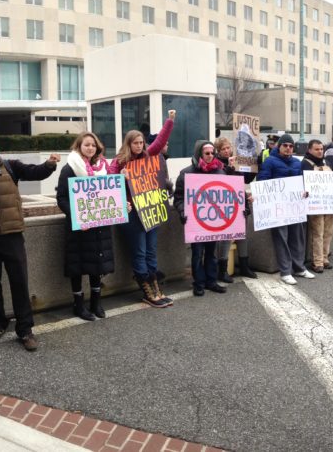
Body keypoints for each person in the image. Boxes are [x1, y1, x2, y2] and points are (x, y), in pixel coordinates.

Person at [0, 138, 59, 351]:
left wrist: (50, 165)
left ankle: (25, 329)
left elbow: (34, 172)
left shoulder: (11, 166)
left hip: (12, 233)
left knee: (19, 281)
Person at [108, 110, 176, 306]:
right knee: (139, 251)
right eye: (135, 143)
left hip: (150, 211)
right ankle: (146, 290)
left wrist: (169, 121)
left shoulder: (148, 156)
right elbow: (108, 184)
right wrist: (121, 176)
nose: (139, 146)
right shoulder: (119, 161)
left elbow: (160, 141)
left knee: (151, 251)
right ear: (128, 144)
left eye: (141, 143)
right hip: (132, 214)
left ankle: (155, 286)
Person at [56, 132, 117, 319]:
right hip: (79, 227)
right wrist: (78, 217)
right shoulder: (69, 169)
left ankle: (96, 303)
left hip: (98, 226)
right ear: (79, 147)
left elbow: (110, 195)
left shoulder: (103, 169)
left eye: (93, 145)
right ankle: (79, 305)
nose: (90, 148)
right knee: (78, 265)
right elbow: (62, 198)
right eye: (86, 145)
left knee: (96, 264)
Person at [174, 140, 229, 297]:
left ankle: (211, 281)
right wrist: (183, 211)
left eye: (212, 153)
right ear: (200, 154)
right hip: (196, 222)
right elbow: (178, 198)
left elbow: (227, 197)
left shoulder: (220, 172)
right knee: (197, 253)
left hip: (213, 221)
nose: (210, 156)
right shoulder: (186, 173)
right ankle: (198, 283)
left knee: (211, 252)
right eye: (207, 153)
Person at [257, 134, 311, 285]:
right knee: (282, 238)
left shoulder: (296, 162)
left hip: (294, 207)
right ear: (279, 146)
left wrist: (305, 191)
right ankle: (285, 271)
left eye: (291, 146)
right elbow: (263, 182)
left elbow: (302, 181)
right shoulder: (269, 162)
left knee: (297, 236)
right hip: (277, 208)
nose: (288, 148)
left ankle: (299, 268)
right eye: (285, 145)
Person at [213, 135, 256, 280]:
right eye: (223, 149)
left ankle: (244, 266)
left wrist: (255, 166)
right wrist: (231, 168)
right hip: (226, 205)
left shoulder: (236, 161)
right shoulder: (216, 164)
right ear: (218, 151)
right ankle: (222, 269)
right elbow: (224, 182)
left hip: (239, 201)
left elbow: (244, 180)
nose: (226, 151)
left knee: (242, 234)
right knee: (226, 236)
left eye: (228, 148)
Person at [301, 140, 333, 274]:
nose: (320, 151)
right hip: (315, 204)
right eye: (316, 149)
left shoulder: (325, 163)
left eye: (321, 149)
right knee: (318, 233)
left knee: (328, 232)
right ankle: (317, 261)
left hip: (329, 203)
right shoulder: (305, 163)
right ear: (310, 150)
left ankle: (325, 258)